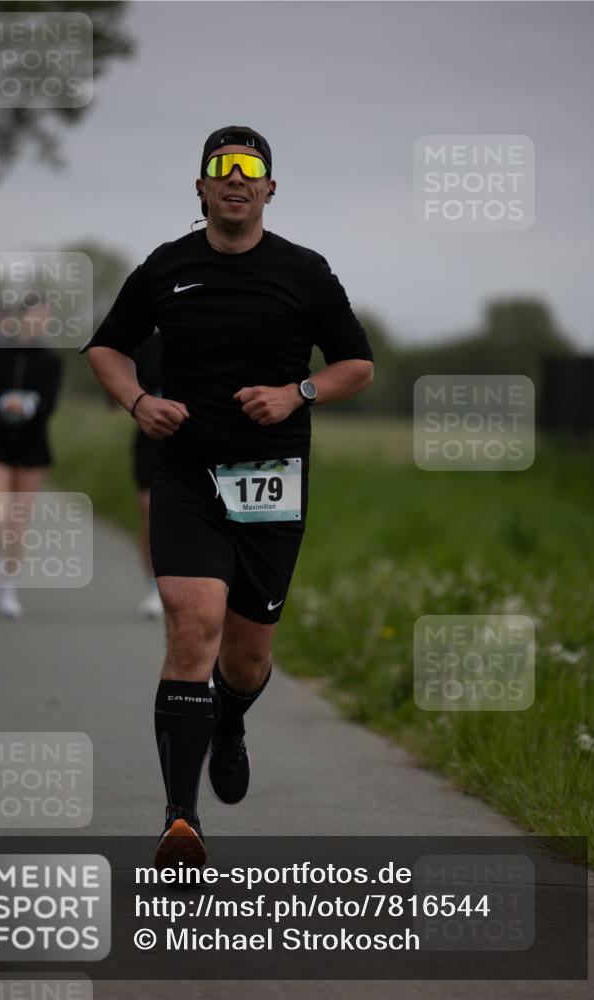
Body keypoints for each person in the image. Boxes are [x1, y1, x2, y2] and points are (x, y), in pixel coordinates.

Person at [84, 126, 374, 868]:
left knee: (244, 662)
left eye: (250, 171)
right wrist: (137, 401)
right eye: (222, 169)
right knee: (191, 627)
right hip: (184, 473)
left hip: (271, 483)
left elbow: (356, 365)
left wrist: (295, 393)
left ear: (271, 189)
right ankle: (181, 820)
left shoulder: (303, 273)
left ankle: (228, 722)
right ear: (201, 187)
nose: (236, 181)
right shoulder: (166, 268)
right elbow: (106, 346)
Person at [0, 295, 63, 617]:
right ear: (21, 317)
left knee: (16, 524)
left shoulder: (50, 360)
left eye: (45, 318)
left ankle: (8, 589)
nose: (40, 322)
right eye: (35, 315)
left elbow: (50, 403)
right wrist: (2, 401)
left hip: (31, 447)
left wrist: (28, 404)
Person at [132, 331, 165, 619]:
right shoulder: (147, 345)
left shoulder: (212, 329)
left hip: (200, 437)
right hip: (152, 438)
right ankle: (154, 587)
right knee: (150, 512)